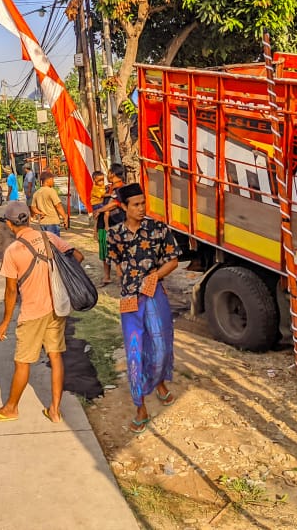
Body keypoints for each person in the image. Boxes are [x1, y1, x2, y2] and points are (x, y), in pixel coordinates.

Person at [0, 201, 84, 424]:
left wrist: (5, 322)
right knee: (55, 356)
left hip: (32, 312)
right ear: (28, 219)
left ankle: (11, 408)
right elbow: (77, 256)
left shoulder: (13, 251)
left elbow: (11, 292)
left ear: (10, 225)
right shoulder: (49, 237)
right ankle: (55, 410)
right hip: (56, 308)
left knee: (22, 362)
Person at [106, 182, 181, 434]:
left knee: (160, 346)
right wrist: (128, 284)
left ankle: (158, 381)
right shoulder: (115, 234)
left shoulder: (158, 229)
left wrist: (155, 276)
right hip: (129, 299)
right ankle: (140, 406)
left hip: (154, 295)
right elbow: (117, 265)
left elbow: (173, 261)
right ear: (124, 207)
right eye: (135, 204)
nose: (141, 208)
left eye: (143, 203)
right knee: (134, 351)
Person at [93, 164, 127, 286]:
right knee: (104, 251)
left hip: (117, 223)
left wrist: (100, 210)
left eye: (108, 172)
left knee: (120, 251)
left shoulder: (122, 188)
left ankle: (122, 277)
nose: (107, 175)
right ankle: (107, 277)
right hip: (103, 224)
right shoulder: (107, 189)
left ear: (112, 173)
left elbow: (115, 204)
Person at [30, 170, 68, 235]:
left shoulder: (36, 193)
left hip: (43, 222)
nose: (53, 182)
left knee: (47, 242)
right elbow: (58, 205)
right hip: (52, 221)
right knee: (54, 242)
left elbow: (33, 208)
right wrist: (65, 217)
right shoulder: (51, 191)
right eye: (52, 179)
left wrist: (40, 213)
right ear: (48, 180)